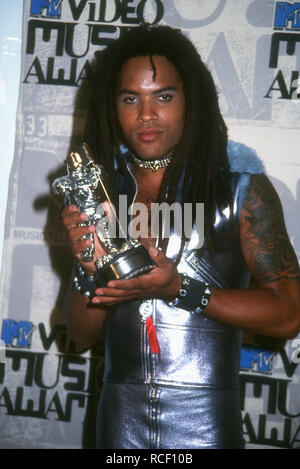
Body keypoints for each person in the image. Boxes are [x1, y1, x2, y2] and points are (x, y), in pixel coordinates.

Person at [61, 25, 300, 449]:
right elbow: (80, 335)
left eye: (163, 97)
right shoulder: (102, 195)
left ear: (192, 100)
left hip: (205, 427)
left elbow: (289, 314)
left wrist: (179, 289)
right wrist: (88, 271)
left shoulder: (241, 188)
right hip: (119, 427)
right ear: (113, 107)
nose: (146, 115)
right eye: (130, 98)